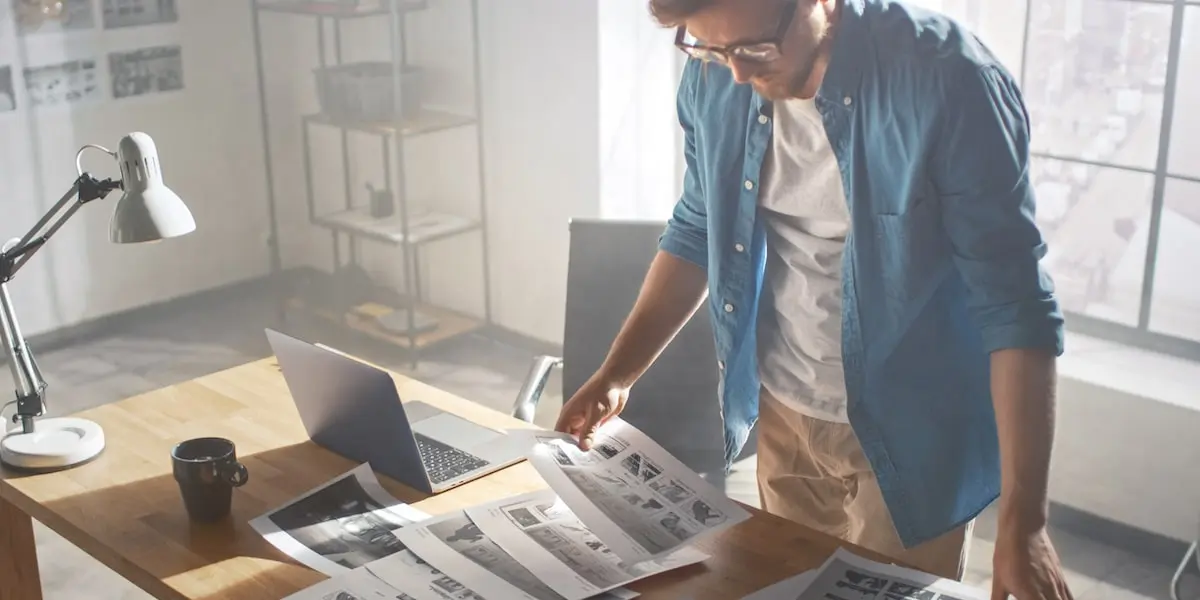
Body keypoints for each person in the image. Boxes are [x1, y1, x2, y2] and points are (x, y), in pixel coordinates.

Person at [554, 0, 1074, 596]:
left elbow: (1015, 307)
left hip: (915, 432)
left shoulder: (950, 80)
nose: (740, 75)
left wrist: (1026, 522)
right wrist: (620, 371)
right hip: (786, 408)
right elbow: (699, 227)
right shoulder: (715, 72)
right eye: (708, 48)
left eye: (753, 48)